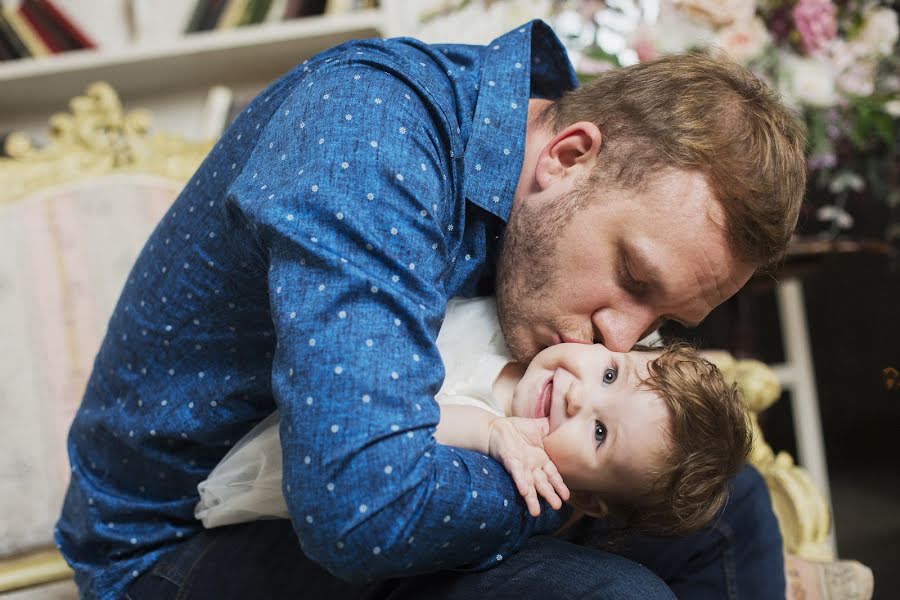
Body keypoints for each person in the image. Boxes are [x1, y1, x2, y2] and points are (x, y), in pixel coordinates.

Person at [55, 19, 808, 600]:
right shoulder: (371, 141)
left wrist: (617, 456)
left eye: (661, 322)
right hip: (177, 543)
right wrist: (573, 488)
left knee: (726, 500)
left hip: (342, 491)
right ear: (568, 156)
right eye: (634, 278)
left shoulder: (547, 177)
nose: (623, 336)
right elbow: (361, 511)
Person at [195, 296, 751, 535]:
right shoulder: (530, 325)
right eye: (609, 375)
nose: (580, 398)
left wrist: (489, 433)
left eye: (600, 432)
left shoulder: (500, 458)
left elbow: (393, 421)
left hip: (310, 437)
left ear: (582, 499)